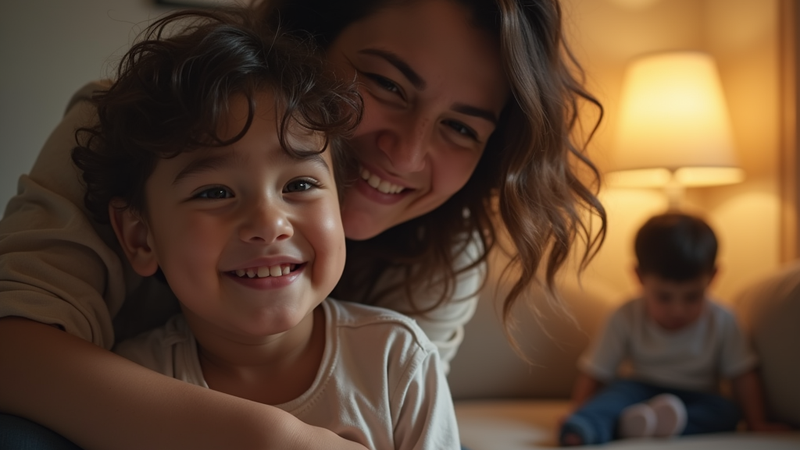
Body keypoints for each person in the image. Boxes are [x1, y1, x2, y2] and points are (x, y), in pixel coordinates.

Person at [0, 0, 606, 448]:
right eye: (387, 84)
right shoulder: (136, 128)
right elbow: (13, 345)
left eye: (461, 127)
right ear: (307, 41)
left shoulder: (419, 308)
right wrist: (271, 438)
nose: (404, 154)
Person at [69, 8, 459, 449]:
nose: (269, 224)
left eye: (300, 184)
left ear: (340, 197)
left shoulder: (398, 362)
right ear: (141, 237)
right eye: (214, 192)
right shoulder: (134, 383)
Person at [558, 212, 792, 446]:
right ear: (639, 277)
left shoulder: (724, 319)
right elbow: (596, 371)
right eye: (664, 297)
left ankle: (642, 425)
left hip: (697, 395)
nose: (678, 310)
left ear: (713, 277)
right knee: (610, 399)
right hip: (637, 390)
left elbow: (743, 374)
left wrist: (756, 422)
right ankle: (583, 429)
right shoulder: (624, 315)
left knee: (727, 412)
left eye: (692, 297)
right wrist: (577, 409)